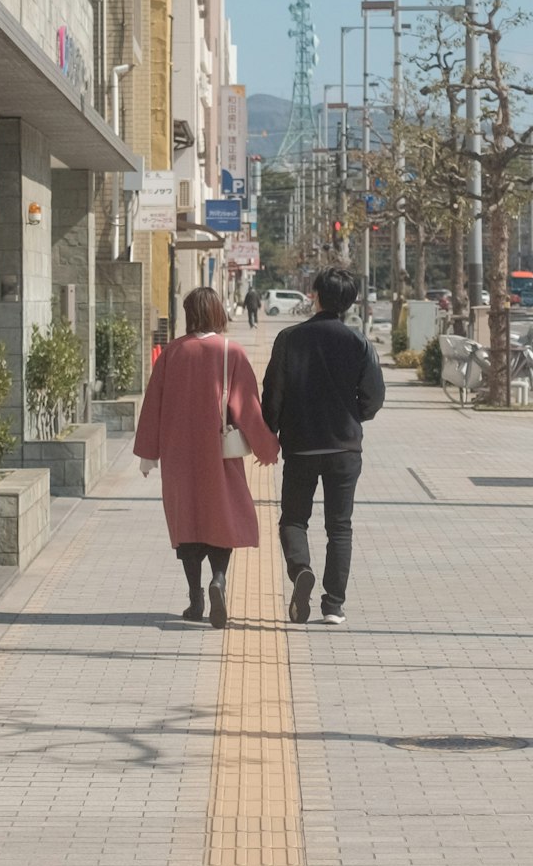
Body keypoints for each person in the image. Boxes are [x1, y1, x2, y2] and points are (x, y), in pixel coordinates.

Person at [134, 288, 279, 629]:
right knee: (219, 517)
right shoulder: (231, 352)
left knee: (186, 521)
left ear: (189, 314)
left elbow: (152, 405)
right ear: (218, 312)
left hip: (177, 453)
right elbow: (247, 407)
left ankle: (195, 596)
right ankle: (219, 579)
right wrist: (266, 449)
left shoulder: (171, 353)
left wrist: (147, 454)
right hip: (218, 453)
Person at [261, 265, 385, 626]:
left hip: (300, 446)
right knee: (340, 526)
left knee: (294, 519)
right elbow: (374, 397)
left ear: (314, 295)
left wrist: (270, 430)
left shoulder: (289, 339)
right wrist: (355, 416)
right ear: (351, 302)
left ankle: (301, 569)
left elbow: (273, 393)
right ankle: (333, 605)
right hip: (345, 447)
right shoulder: (358, 342)